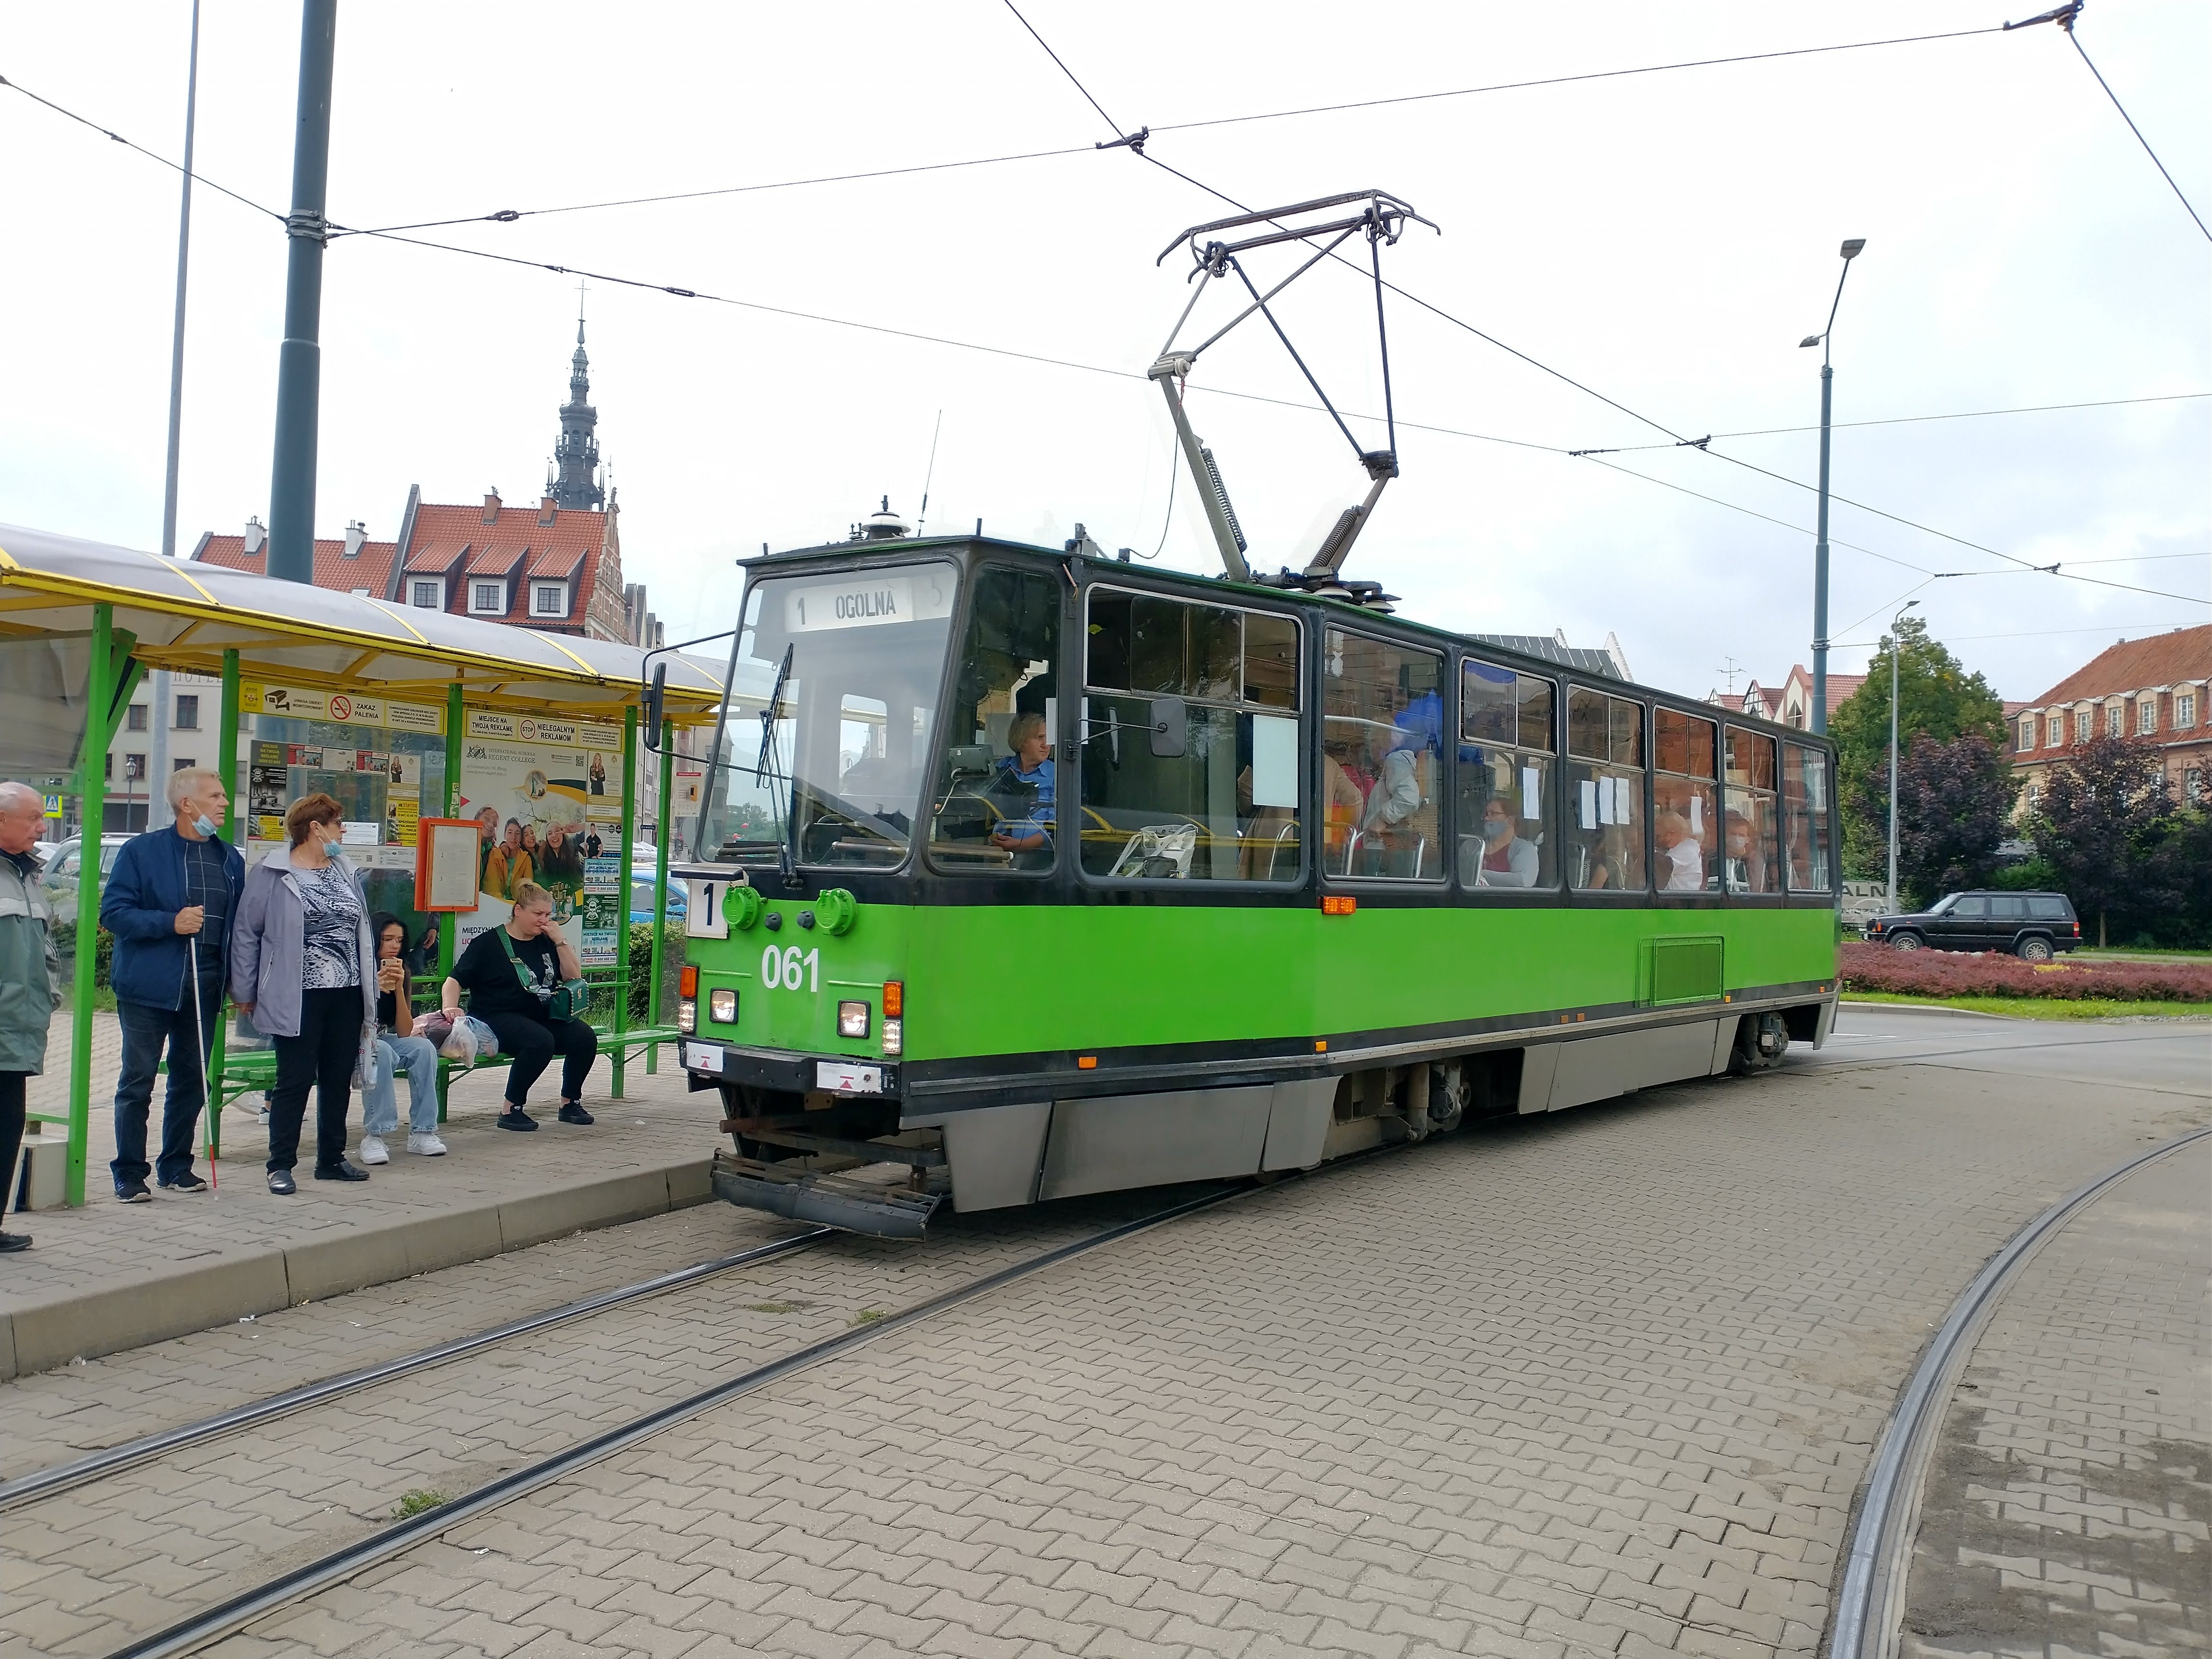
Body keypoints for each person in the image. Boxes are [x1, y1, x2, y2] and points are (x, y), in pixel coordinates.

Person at [100, 767, 244, 1201]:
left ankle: (177, 1165)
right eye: (215, 796)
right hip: (149, 987)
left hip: (206, 987)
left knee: (193, 1079)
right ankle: (129, 1172)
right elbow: (113, 913)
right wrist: (170, 923)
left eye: (223, 796)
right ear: (187, 804)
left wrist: (239, 980)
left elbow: (238, 927)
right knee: (138, 1080)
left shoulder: (230, 858)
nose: (224, 803)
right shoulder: (142, 852)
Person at [230, 793, 374, 1194]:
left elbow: (359, 929)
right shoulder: (273, 872)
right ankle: (280, 1164)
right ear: (316, 827)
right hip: (297, 993)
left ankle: (331, 1158)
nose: (342, 830)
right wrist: (243, 988)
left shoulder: (344, 869)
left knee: (336, 1077)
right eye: (338, 823)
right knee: (293, 1079)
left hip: (346, 991)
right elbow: (246, 932)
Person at [440, 881, 596, 1131]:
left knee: (584, 1037)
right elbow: (454, 981)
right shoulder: (488, 943)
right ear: (518, 910)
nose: (543, 920)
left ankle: (569, 1103)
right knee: (540, 1041)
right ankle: (510, 1109)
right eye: (538, 914)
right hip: (495, 1015)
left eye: (548, 915)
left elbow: (573, 977)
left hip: (540, 1013)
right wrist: (450, 1009)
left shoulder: (546, 941)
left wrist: (560, 941)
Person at [0, 782, 62, 1252]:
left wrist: (50, 997)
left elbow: (46, 953)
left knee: (7, 1131)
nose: (42, 827)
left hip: (19, 1032)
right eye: (33, 817)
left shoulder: (27, 876)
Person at [360, 913, 446, 1162]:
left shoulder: (402, 969)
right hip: (354, 1039)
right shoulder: (359, 969)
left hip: (383, 1036)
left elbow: (405, 1031)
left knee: (423, 1048)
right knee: (383, 1052)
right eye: (388, 939)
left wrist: (398, 989)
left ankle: (423, 1131)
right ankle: (375, 1135)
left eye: (399, 940)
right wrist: (374, 989)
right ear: (374, 939)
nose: (395, 946)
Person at [988, 711, 1054, 854]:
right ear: (1022, 742)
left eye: (1049, 739)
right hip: (999, 850)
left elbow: (1056, 828)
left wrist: (1020, 844)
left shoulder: (1058, 774)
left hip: (1041, 856)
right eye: (1040, 738)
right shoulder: (1002, 768)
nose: (1046, 745)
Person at [1471, 795, 1540, 888]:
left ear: (1510, 821)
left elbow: (1522, 882)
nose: (1486, 819)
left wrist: (1480, 874)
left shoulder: (1524, 849)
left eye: (1493, 814)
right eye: (1486, 814)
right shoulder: (1471, 846)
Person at [482, 818, 530, 900]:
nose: (514, 837)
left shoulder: (526, 858)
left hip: (518, 905)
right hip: (497, 902)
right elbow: (492, 885)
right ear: (505, 835)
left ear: (521, 838)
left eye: (517, 833)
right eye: (510, 832)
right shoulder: (495, 854)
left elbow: (528, 888)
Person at [1656, 809, 1703, 892]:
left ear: (1671, 834)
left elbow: (1663, 865)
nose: (1659, 840)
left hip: (1680, 902)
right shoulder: (1682, 848)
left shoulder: (1686, 850)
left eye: (1660, 836)